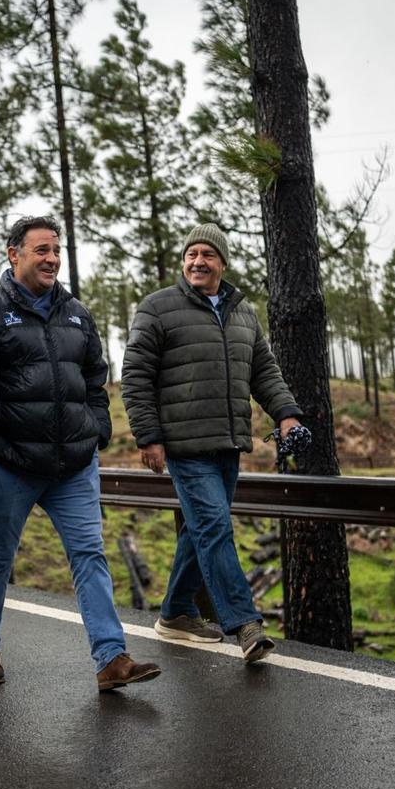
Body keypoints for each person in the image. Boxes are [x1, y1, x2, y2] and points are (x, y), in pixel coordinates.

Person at [0, 216, 161, 692]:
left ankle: (111, 659)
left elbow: (95, 377)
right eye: (41, 250)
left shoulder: (76, 312)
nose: (52, 258)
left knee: (90, 555)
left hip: (73, 463)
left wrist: (98, 429)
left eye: (56, 249)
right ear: (14, 255)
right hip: (11, 462)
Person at [121, 223, 303, 663]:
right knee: (216, 528)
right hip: (184, 445)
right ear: (184, 261)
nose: (198, 261)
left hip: (227, 444)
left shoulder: (243, 312)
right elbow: (136, 376)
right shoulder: (158, 308)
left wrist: (287, 413)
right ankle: (244, 623)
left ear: (222, 262)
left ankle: (175, 613)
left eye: (207, 254)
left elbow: (264, 371)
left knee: (201, 531)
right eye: (191, 254)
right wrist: (148, 436)